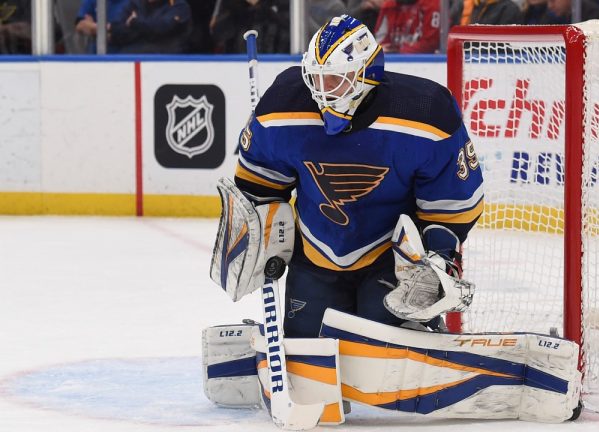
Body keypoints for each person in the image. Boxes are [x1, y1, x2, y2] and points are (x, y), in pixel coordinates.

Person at [232, 15, 484, 338]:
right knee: (307, 348)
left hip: (391, 262)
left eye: (335, 81)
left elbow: (453, 206)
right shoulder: (282, 108)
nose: (323, 94)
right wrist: (259, 226)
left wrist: (439, 257)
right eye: (317, 80)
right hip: (314, 255)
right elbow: (259, 183)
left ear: (367, 76)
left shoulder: (426, 114)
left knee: (390, 349)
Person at [108, 0, 192, 53]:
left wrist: (135, 23)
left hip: (166, 59)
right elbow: (116, 29)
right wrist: (147, 29)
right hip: (130, 56)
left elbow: (162, 27)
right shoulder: (135, 3)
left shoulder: (179, 6)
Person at [374, 0, 441, 53]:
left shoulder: (432, 4)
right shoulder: (388, 6)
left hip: (425, 62)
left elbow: (431, 44)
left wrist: (399, 52)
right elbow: (381, 41)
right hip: (394, 60)